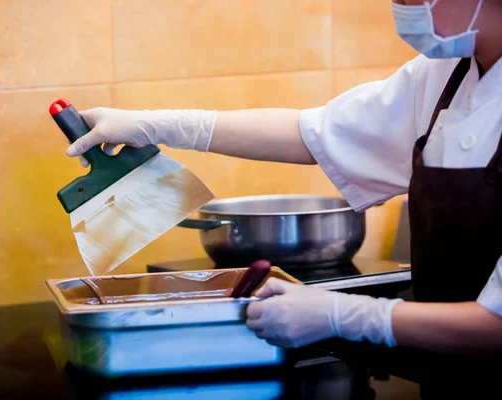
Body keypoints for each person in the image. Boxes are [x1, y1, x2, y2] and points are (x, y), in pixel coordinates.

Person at [65, 0, 502, 397]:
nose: (402, 8)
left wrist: (345, 315)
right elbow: (315, 134)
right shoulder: (444, 74)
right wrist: (159, 125)